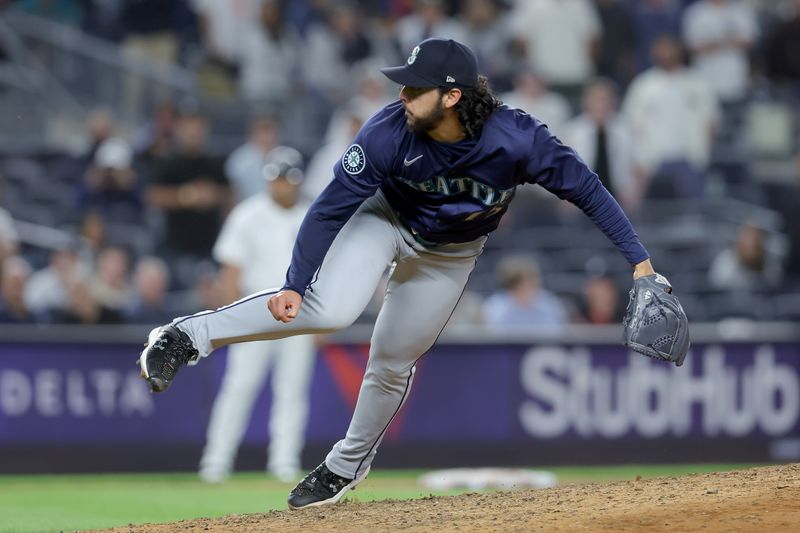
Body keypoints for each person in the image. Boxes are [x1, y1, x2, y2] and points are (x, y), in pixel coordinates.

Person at [139, 38, 657, 510]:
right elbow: (328, 210)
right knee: (330, 309)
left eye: (415, 86)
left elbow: (588, 190)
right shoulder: (388, 130)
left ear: (451, 96)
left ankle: (344, 466)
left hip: (450, 255)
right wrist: (296, 283)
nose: (403, 94)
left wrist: (641, 264)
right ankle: (187, 335)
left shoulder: (518, 139)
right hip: (383, 220)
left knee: (391, 362)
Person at [199, 146, 315, 484]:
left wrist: (322, 324)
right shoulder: (247, 214)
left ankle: (285, 462)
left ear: (297, 180)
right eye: (275, 179)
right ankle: (216, 461)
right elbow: (231, 273)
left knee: (292, 391)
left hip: (300, 316)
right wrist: (231, 320)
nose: (280, 185)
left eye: (286, 179)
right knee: (239, 387)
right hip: (255, 312)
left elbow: (325, 270)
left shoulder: (312, 215)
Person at [481, 255, 568, 332]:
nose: (534, 283)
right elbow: (493, 334)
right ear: (512, 283)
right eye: (526, 281)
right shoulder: (495, 305)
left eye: (533, 278)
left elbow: (558, 332)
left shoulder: (549, 302)